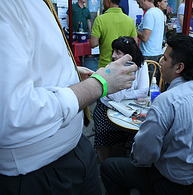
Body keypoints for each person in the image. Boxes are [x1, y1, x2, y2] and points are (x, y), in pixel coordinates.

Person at [0, 1, 138, 194]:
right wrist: (98, 84)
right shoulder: (9, 6)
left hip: (73, 151)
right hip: (41, 171)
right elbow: (12, 114)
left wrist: (71, 73)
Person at [100, 34, 193, 195]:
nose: (160, 62)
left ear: (179, 67)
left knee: (109, 167)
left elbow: (143, 156)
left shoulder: (167, 101)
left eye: (165, 59)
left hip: (173, 184)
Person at [93, 36, 149, 163]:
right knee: (103, 132)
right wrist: (131, 93)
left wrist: (125, 94)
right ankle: (104, 163)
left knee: (140, 129)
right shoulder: (110, 68)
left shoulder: (141, 64)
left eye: (118, 52)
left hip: (131, 106)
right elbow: (117, 98)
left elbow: (144, 90)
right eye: (113, 51)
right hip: (106, 106)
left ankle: (128, 161)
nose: (113, 56)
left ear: (129, 55)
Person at [90, 0, 137, 68]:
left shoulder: (100, 19)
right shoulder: (130, 20)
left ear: (108, 1)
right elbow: (135, 42)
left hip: (105, 67)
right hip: (124, 66)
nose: (103, 3)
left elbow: (93, 44)